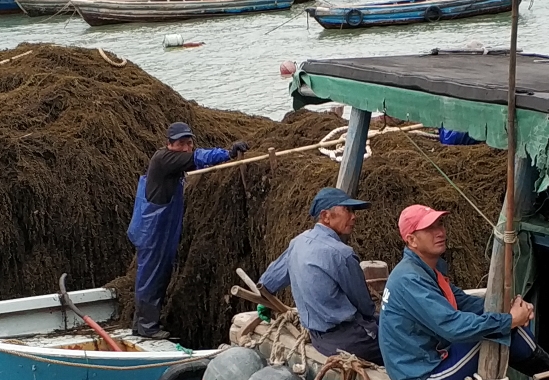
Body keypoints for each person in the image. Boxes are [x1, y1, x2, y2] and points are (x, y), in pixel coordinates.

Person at [378, 204, 549, 380]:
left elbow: (466, 303)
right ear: (412, 240)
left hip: (428, 362)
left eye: (440, 224)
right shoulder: (410, 279)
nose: (439, 232)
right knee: (500, 330)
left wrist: (508, 309)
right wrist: (509, 320)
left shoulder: (425, 270)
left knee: (502, 323)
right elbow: (454, 327)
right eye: (429, 229)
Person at [127, 121, 244, 338]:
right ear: (169, 144)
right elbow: (199, 158)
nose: (186, 148)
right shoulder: (164, 159)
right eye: (181, 143)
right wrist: (228, 153)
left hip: (160, 227)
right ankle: (147, 327)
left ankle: (141, 324)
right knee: (151, 276)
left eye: (189, 143)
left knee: (158, 274)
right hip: (153, 229)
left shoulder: (171, 161)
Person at [259, 187, 382, 362]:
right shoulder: (342, 254)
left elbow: (267, 283)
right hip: (351, 341)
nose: (354, 216)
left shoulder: (298, 242)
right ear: (325, 216)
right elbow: (365, 307)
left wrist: (263, 302)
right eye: (347, 210)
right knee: (402, 339)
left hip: (319, 339)